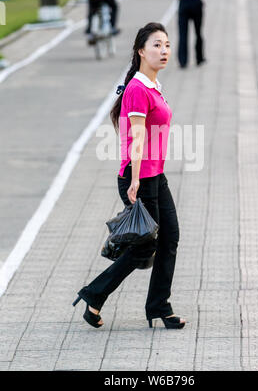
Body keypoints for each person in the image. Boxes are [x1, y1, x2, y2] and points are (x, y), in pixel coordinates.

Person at [73, 22, 186, 331]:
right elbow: (136, 138)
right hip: (139, 178)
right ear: (141, 51)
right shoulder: (138, 89)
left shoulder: (151, 85)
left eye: (166, 44)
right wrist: (136, 180)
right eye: (156, 45)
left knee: (168, 238)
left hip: (154, 175)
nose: (163, 51)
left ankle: (157, 305)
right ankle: (96, 294)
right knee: (143, 245)